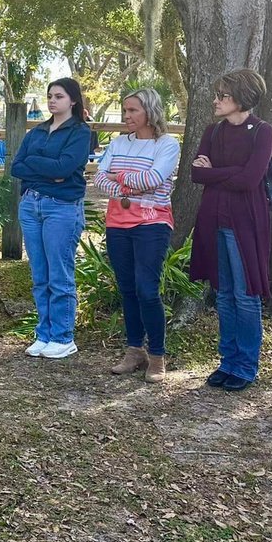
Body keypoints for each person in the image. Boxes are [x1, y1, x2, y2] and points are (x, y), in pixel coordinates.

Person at [188, 69, 272, 392]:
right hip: (214, 220)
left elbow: (251, 179)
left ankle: (246, 365)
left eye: (222, 95)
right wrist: (230, 173)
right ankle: (227, 360)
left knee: (246, 294)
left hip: (246, 223)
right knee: (223, 293)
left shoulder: (262, 132)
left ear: (241, 97)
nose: (215, 100)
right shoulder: (213, 131)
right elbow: (196, 175)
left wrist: (217, 173)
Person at [94, 89, 180, 382]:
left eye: (133, 110)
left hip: (152, 224)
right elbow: (99, 178)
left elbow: (154, 179)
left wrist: (119, 179)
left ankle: (157, 355)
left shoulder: (167, 145)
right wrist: (126, 186)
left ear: (150, 111)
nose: (127, 116)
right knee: (127, 288)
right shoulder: (118, 143)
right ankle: (134, 350)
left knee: (147, 289)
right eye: (125, 110)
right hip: (117, 223)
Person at [10, 78, 93, 359]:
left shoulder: (80, 132)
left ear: (72, 100)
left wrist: (39, 166)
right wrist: (50, 172)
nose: (52, 100)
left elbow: (66, 167)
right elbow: (17, 166)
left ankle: (63, 336)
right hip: (31, 205)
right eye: (49, 96)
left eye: (59, 96)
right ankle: (43, 333)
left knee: (60, 274)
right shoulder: (37, 132)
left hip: (62, 207)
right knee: (39, 274)